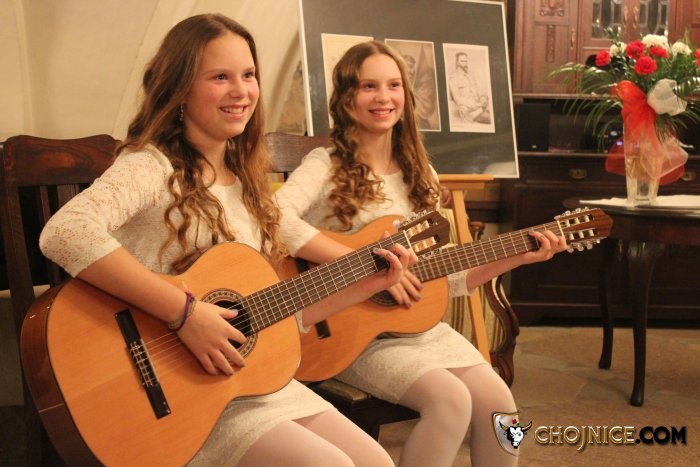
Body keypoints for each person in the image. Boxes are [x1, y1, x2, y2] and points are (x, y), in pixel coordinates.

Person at [38, 15, 413, 467]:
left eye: (248, 75)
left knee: (376, 461)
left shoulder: (249, 183)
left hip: (241, 381)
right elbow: (65, 232)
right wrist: (184, 313)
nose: (241, 91)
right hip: (177, 393)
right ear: (180, 88)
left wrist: (365, 285)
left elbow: (275, 317)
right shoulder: (151, 167)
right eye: (220, 77)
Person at [275, 40, 568, 467]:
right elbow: (275, 219)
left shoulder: (421, 172)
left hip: (418, 329)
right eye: (369, 86)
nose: (383, 97)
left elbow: (450, 278)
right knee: (451, 402)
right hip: (353, 336)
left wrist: (519, 256)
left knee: (503, 410)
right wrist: (363, 267)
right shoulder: (326, 163)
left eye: (393, 85)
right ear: (346, 98)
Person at [448, 51, 491, 123]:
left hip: (478, 105)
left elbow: (477, 89)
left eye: (466, 61)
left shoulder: (470, 75)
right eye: (462, 61)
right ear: (457, 63)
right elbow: (457, 99)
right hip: (468, 109)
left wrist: (482, 97)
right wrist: (477, 105)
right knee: (489, 117)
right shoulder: (453, 78)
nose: (465, 64)